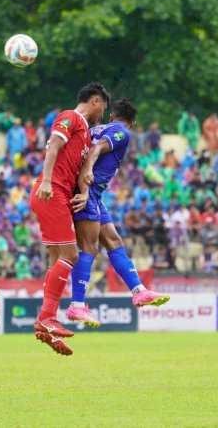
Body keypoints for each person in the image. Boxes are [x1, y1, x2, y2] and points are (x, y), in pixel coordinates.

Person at [67, 98, 169, 328]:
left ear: (112, 115)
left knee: (114, 240)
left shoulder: (95, 128)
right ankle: (76, 305)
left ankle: (138, 290)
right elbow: (95, 149)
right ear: (132, 122)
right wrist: (87, 174)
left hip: (95, 195)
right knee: (89, 247)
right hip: (88, 191)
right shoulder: (121, 131)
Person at [30, 82, 109, 356]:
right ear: (95, 101)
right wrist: (48, 181)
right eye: (103, 108)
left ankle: (45, 326)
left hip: (62, 195)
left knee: (56, 261)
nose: (103, 114)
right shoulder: (70, 117)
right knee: (70, 255)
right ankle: (47, 317)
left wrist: (85, 193)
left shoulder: (85, 134)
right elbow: (53, 146)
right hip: (51, 193)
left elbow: (80, 171)